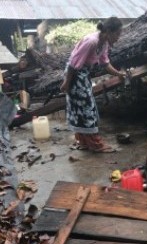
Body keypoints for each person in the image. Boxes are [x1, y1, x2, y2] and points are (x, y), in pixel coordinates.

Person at [60, 17, 126, 153]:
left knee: (82, 109)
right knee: (87, 108)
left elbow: (105, 63)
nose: (118, 38)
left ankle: (84, 142)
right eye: (117, 34)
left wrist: (118, 74)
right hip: (74, 75)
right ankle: (95, 144)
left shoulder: (103, 43)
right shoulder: (92, 41)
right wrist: (67, 83)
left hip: (82, 74)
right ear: (108, 31)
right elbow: (73, 64)